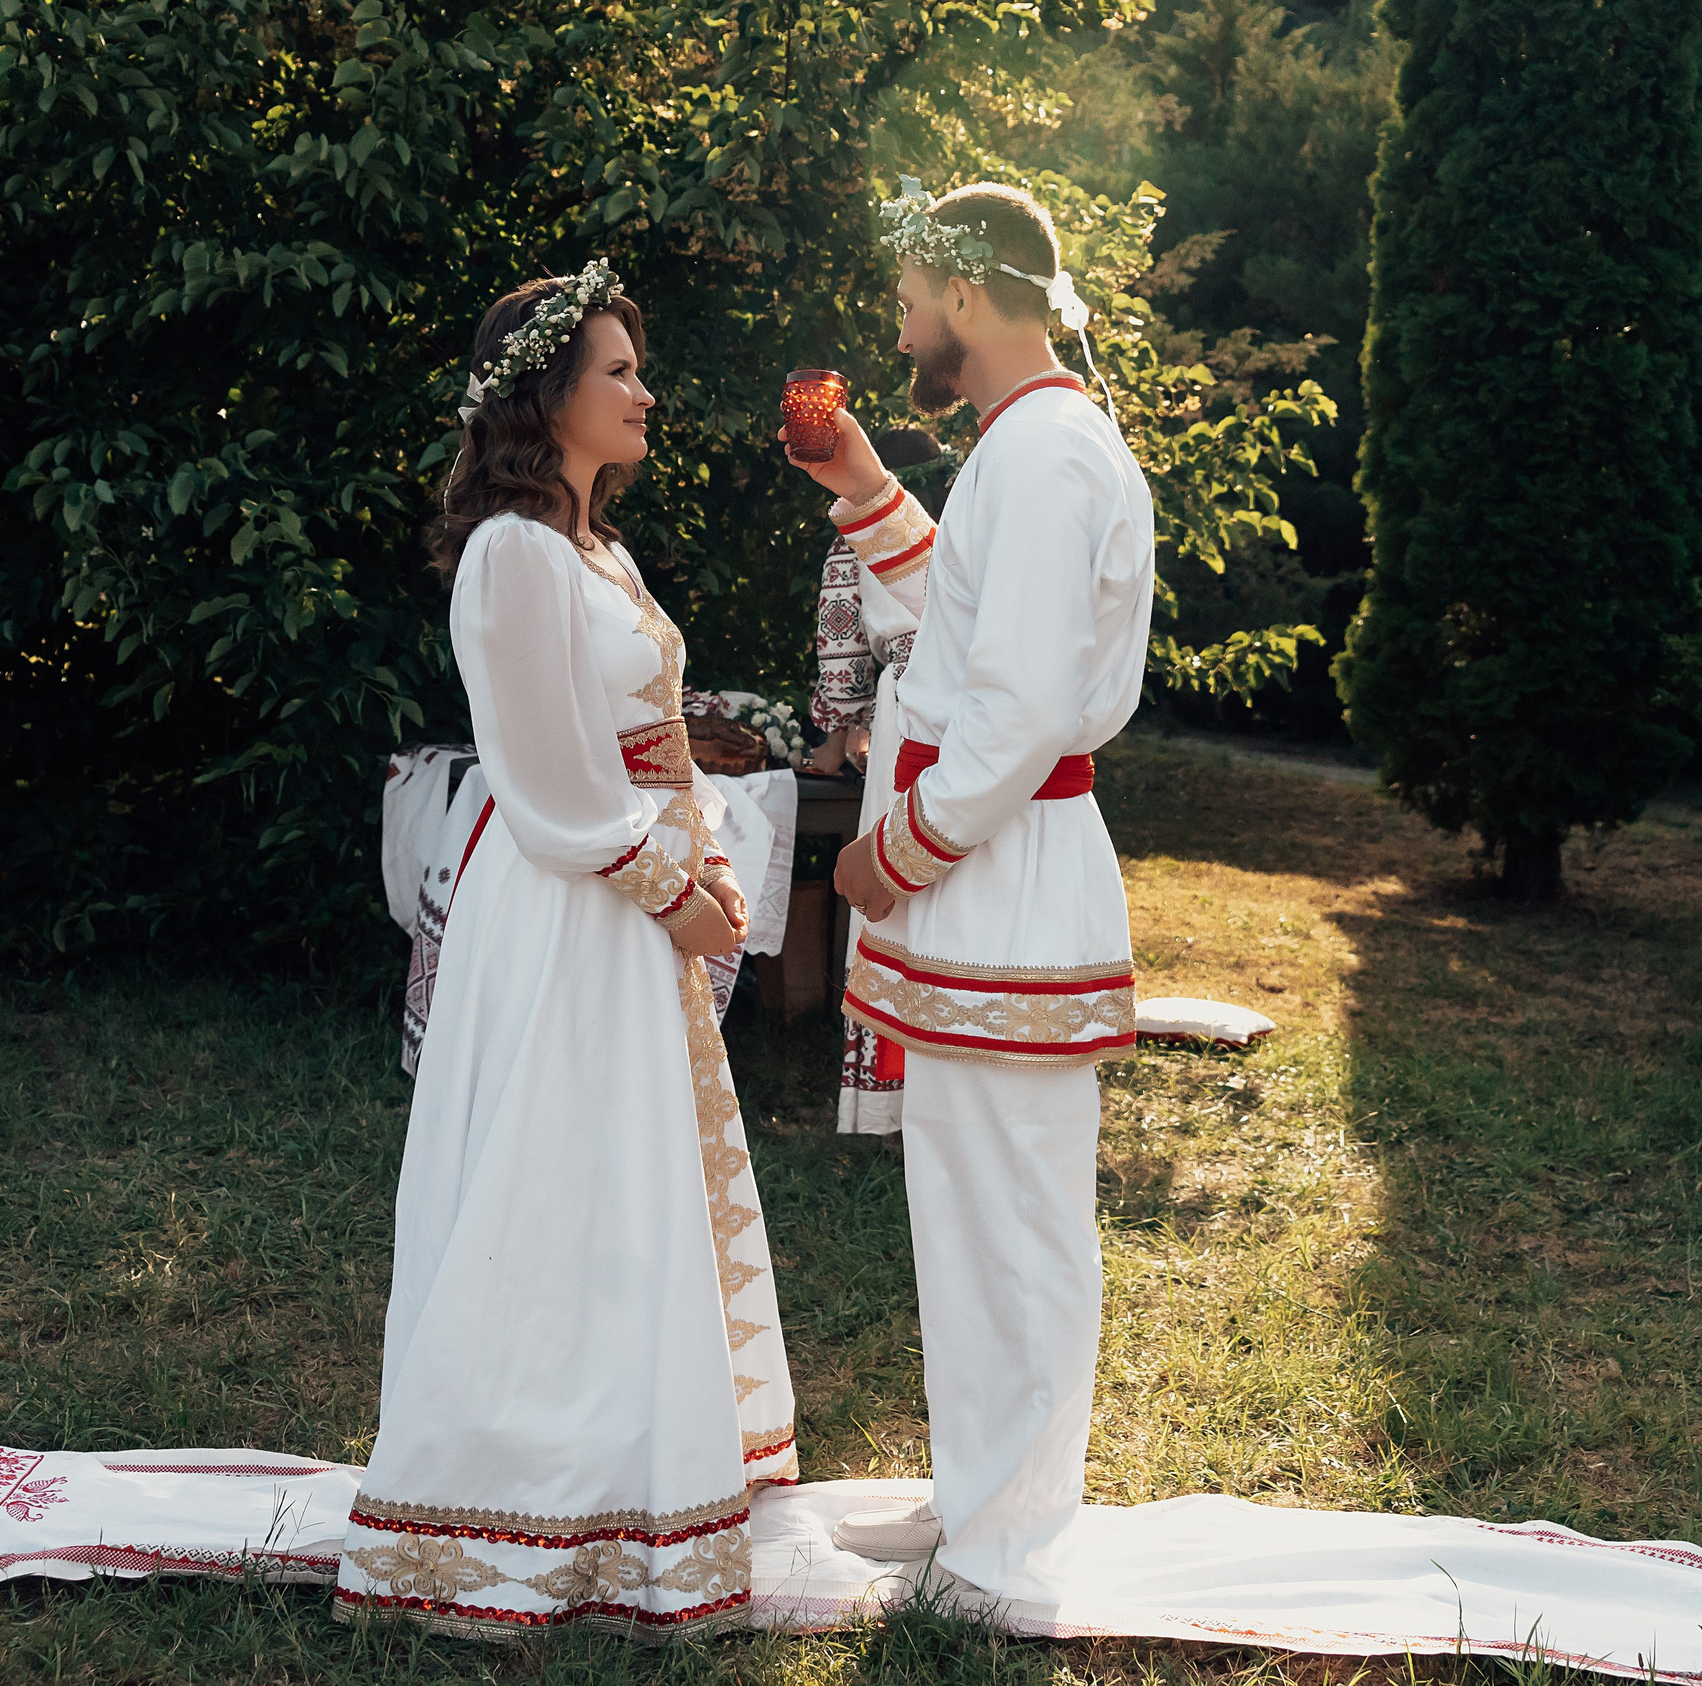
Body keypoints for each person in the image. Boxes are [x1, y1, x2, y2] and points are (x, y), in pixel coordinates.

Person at [337, 262, 799, 1639]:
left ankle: (620, 1460)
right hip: (562, 913)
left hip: (629, 905)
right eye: (619, 371)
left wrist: (707, 845)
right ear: (547, 395)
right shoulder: (514, 556)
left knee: (619, 1188)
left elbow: (649, 735)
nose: (645, 392)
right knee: (548, 1183)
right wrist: (673, 885)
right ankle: (502, 1496)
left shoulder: (602, 552)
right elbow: (544, 776)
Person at [782, 180, 1155, 1605]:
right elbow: (967, 618)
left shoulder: (1053, 454)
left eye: (910, 292)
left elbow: (1020, 704)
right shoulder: (1019, 445)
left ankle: (1010, 1548)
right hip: (980, 893)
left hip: (1003, 881)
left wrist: (901, 848)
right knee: (966, 1203)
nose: (898, 317)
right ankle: (979, 1496)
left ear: (972, 293)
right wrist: (870, 488)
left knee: (1016, 1215)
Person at [808, 425, 949, 1139]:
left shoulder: (865, 527)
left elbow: (840, 648)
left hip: (907, 712)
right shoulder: (957, 522)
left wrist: (839, 737)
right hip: (974, 703)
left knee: (892, 889)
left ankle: (887, 1103)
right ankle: (953, 1080)